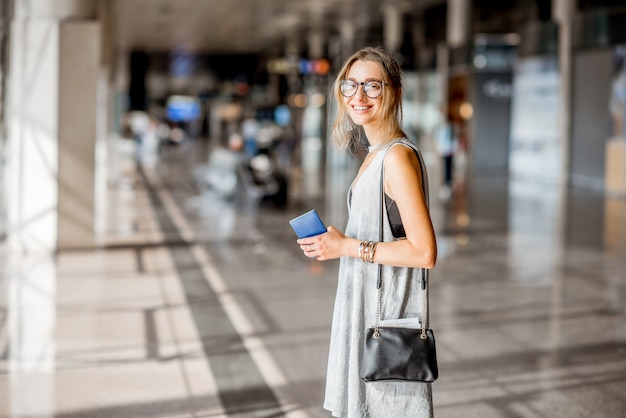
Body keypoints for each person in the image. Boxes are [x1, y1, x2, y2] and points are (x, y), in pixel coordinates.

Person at [296, 47, 437, 417]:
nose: (359, 96)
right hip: (363, 308)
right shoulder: (375, 154)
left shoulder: (397, 157)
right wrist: (336, 243)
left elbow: (424, 252)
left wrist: (348, 246)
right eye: (350, 85)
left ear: (394, 91)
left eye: (372, 86)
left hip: (385, 318)